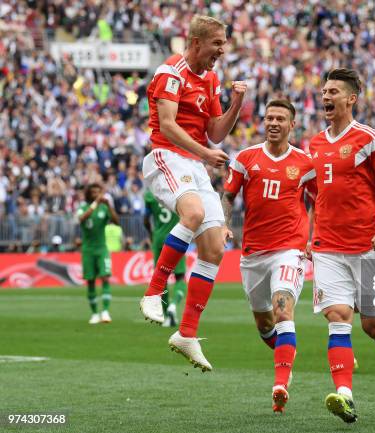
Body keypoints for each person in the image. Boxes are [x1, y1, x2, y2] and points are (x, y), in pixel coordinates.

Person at [139, 14, 247, 372]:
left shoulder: (211, 79)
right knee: (194, 214)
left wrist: (235, 104)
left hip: (195, 165)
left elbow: (215, 132)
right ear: (197, 42)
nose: (222, 50)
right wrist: (203, 153)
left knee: (215, 247)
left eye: (224, 43)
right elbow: (168, 126)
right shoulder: (170, 72)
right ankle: (154, 291)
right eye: (218, 43)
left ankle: (186, 333)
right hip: (166, 157)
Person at [302, 68, 375, 424]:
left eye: (333, 91)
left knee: (373, 326)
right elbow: (316, 197)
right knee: (338, 317)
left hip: (368, 247)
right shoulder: (314, 144)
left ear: (351, 99)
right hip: (328, 247)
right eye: (324, 91)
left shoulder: (370, 139)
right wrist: (308, 237)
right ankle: (345, 395)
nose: (326, 97)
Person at [223, 99, 313, 413]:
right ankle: (285, 354)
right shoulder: (245, 158)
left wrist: (313, 236)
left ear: (292, 125)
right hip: (252, 254)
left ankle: (280, 385)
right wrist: (224, 224)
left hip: (289, 250)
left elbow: (321, 201)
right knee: (265, 325)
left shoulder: (305, 162)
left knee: (283, 310)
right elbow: (229, 195)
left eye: (280, 119)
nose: (273, 123)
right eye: (269, 117)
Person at [143, 190, 187, 327]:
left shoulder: (150, 195)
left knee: (162, 278)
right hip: (177, 236)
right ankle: (173, 305)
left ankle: (167, 315)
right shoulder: (177, 190)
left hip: (158, 238)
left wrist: (151, 233)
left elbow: (145, 218)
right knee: (180, 277)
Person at [77, 183, 119, 324]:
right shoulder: (83, 207)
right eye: (94, 192)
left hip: (102, 249)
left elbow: (116, 222)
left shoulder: (103, 208)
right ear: (89, 194)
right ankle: (95, 313)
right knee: (90, 281)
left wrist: (109, 206)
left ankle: (105, 312)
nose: (96, 194)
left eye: (98, 192)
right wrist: (95, 203)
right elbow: (82, 218)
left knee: (105, 277)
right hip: (88, 250)